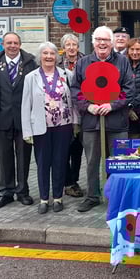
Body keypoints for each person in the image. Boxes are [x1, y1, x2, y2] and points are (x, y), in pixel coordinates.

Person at [70, 26, 135, 213]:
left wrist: (112, 105)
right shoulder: (83, 63)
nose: (102, 43)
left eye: (106, 40)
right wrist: (88, 106)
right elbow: (75, 90)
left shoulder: (122, 62)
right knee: (92, 161)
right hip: (91, 122)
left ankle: (117, 195)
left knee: (118, 160)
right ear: (93, 42)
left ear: (112, 42)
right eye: (98, 40)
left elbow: (129, 90)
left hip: (117, 122)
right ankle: (92, 196)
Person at [0, 32, 37, 209]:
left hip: (24, 120)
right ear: (3, 44)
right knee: (4, 158)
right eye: (9, 43)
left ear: (20, 44)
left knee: (24, 157)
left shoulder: (30, 63)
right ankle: (6, 192)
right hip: (1, 119)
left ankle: (22, 192)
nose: (12, 46)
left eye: (15, 43)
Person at [21, 42, 77, 214]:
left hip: (63, 125)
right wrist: (27, 131)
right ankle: (44, 199)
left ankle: (58, 198)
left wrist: (76, 123)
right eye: (45, 53)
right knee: (43, 163)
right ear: (40, 57)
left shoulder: (66, 74)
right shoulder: (31, 77)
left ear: (56, 56)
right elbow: (25, 105)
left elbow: (72, 101)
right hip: (40, 126)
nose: (48, 56)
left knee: (60, 162)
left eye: (52, 53)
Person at [58, 33, 85, 198]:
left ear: (78, 46)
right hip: (63, 113)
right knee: (64, 149)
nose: (71, 48)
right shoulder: (57, 64)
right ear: (63, 48)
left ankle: (74, 181)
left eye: (74, 44)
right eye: (68, 45)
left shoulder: (85, 61)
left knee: (78, 150)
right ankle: (68, 182)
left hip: (82, 111)